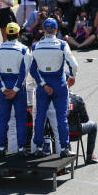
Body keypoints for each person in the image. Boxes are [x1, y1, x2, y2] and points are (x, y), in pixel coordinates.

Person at [29, 18, 78, 158]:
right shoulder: (62, 44)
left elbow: (32, 70)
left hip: (43, 85)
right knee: (61, 118)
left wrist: (43, 84)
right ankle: (64, 148)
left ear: (44, 30)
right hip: (59, 83)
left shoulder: (36, 46)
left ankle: (38, 147)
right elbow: (74, 65)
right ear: (56, 30)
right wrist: (72, 76)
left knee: (40, 117)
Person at [0, 22, 32, 156]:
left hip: (3, 84)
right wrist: (15, 89)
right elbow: (24, 72)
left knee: (3, 118)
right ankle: (20, 149)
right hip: (18, 85)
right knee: (21, 118)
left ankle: (1, 148)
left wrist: (3, 88)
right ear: (18, 34)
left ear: (6, 33)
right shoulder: (24, 49)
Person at [67, 92, 98, 165]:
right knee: (93, 125)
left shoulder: (51, 99)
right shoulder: (77, 99)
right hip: (75, 131)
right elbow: (85, 119)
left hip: (58, 134)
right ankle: (89, 157)